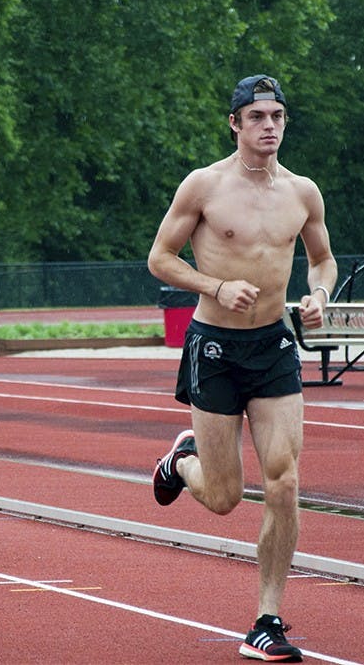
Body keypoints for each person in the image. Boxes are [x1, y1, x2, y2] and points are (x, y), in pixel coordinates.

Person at [147, 74, 337, 662]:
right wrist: (215, 284)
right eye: (257, 116)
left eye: (277, 116)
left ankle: (267, 618)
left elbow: (323, 260)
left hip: (274, 347)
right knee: (227, 496)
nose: (269, 126)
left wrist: (320, 297)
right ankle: (183, 462)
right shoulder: (204, 186)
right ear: (235, 123)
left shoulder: (303, 192)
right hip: (215, 348)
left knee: (283, 481)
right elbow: (160, 258)